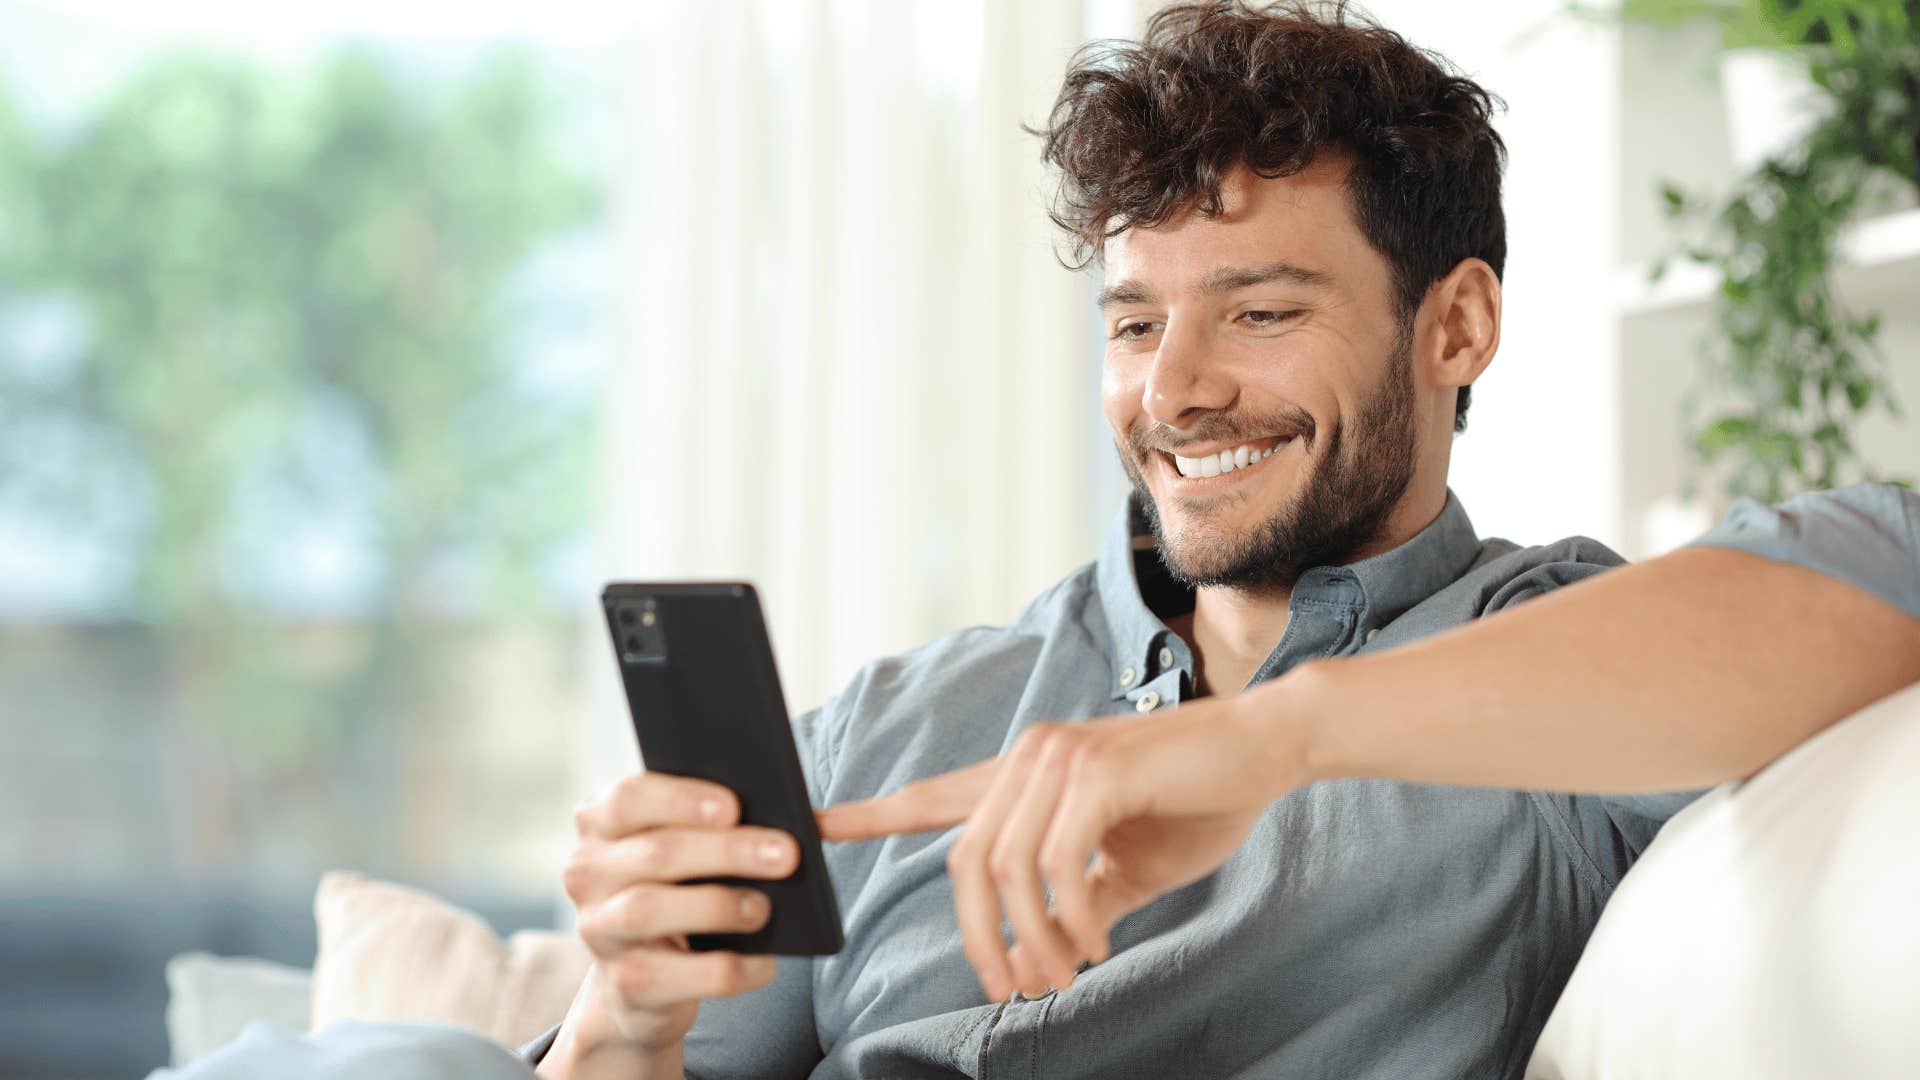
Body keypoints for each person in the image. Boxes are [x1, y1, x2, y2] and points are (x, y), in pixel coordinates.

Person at [156, 3, 1920, 1079]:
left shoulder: (1547, 682)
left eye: (1263, 308)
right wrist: (621, 1026)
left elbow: (1886, 572)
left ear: (1456, 327)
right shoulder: (914, 715)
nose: (1183, 389)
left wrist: (1269, 736)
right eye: (1137, 323)